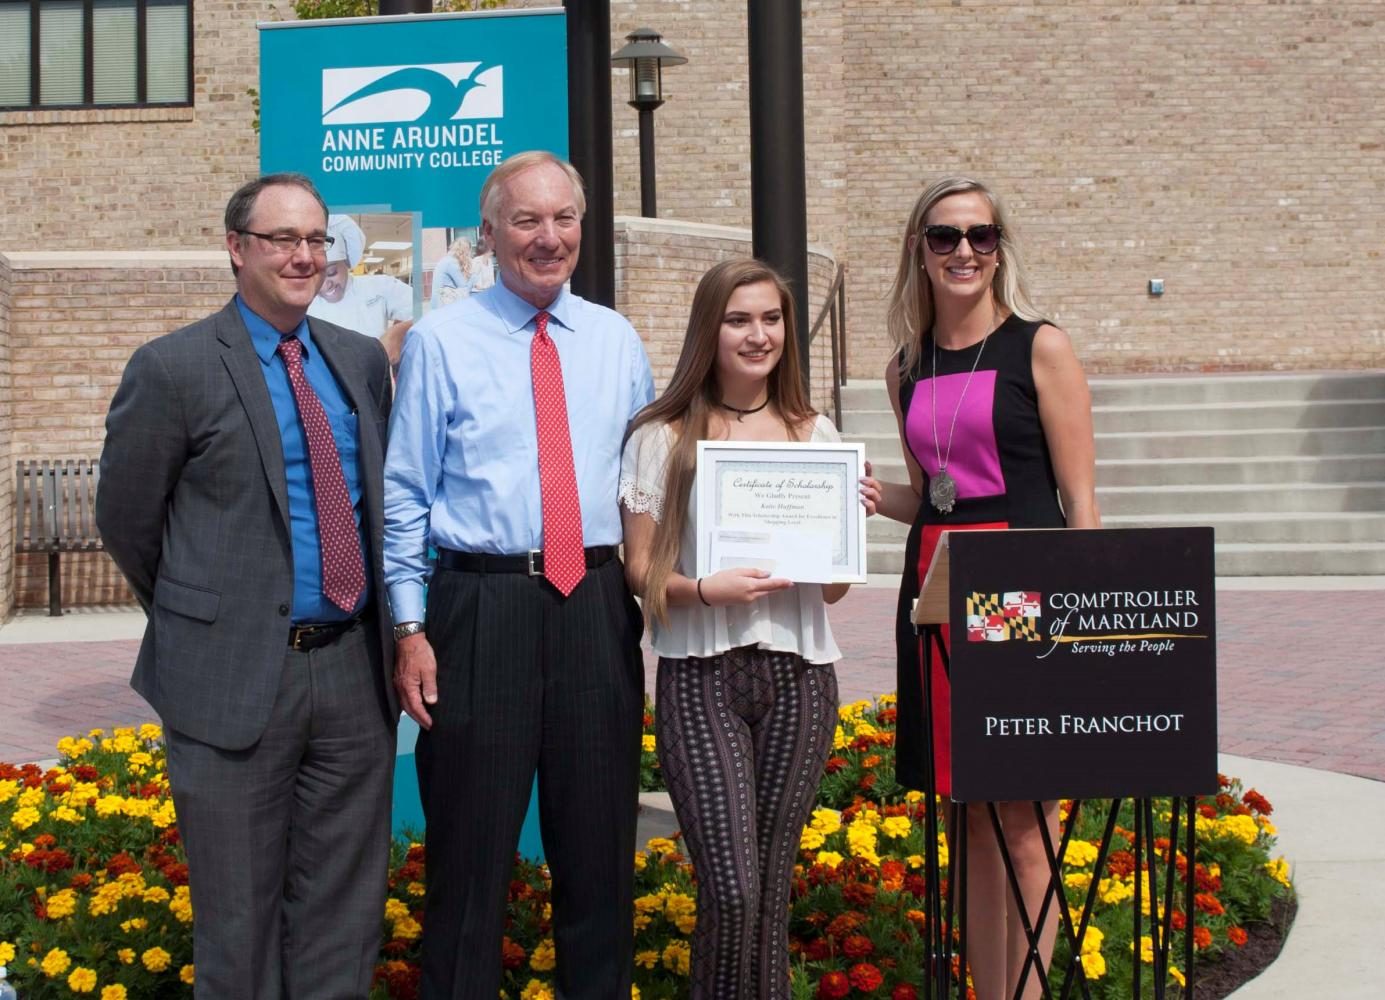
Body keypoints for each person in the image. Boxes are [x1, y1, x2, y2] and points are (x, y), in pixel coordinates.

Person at [95, 173, 397, 998]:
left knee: (343, 914)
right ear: (236, 249)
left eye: (314, 240)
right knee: (237, 924)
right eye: (281, 240)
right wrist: (206, 616)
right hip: (228, 679)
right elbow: (127, 519)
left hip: (351, 675)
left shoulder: (361, 361)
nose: (302, 257)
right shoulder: (173, 368)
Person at [384, 150, 654, 1000]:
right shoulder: (439, 341)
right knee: (469, 860)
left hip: (595, 606)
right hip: (479, 605)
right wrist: (408, 627)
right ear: (490, 233)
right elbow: (404, 494)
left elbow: (649, 480)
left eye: (563, 219)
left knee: (599, 854)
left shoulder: (616, 340)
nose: (549, 238)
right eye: (528, 221)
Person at [619, 259, 879, 998]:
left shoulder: (814, 430)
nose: (757, 334)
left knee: (766, 891)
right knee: (729, 888)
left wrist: (839, 532)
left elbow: (828, 589)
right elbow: (637, 569)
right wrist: (704, 588)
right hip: (700, 674)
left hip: (799, 674)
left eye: (770, 318)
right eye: (739, 319)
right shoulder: (662, 434)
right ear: (710, 328)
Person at [871, 177, 1100, 1000]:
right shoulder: (905, 367)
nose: (963, 250)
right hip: (934, 591)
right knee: (966, 810)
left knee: (1027, 818)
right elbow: (932, 495)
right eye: (944, 236)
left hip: (1023, 593)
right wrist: (863, 493)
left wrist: (1082, 635)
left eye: (981, 234)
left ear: (999, 247)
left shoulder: (1040, 346)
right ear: (918, 250)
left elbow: (1079, 504)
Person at [309, 213, 415, 365]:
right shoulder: (304, 305)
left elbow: (430, 312)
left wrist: (399, 332)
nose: (326, 284)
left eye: (331, 272)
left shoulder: (379, 287)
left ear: (346, 262)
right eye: (316, 276)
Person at [428, 236, 478, 309]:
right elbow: (464, 288)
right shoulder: (452, 263)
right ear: (466, 251)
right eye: (470, 251)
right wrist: (474, 276)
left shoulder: (446, 260)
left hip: (437, 303)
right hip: (443, 305)